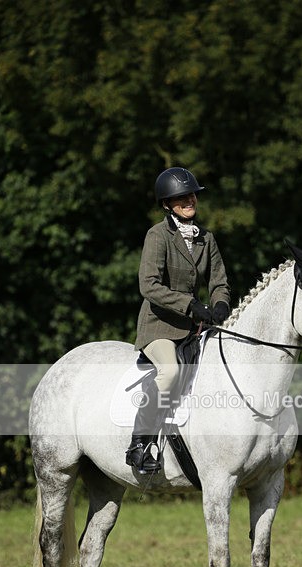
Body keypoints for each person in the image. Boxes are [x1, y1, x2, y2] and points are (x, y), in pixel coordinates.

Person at [126, 167, 231, 472]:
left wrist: (220, 305)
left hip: (194, 328)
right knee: (170, 371)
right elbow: (149, 285)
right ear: (167, 204)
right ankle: (139, 444)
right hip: (159, 327)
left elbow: (219, 282)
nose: (189, 200)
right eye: (181, 197)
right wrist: (190, 305)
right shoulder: (158, 235)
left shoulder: (206, 239)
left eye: (192, 195)